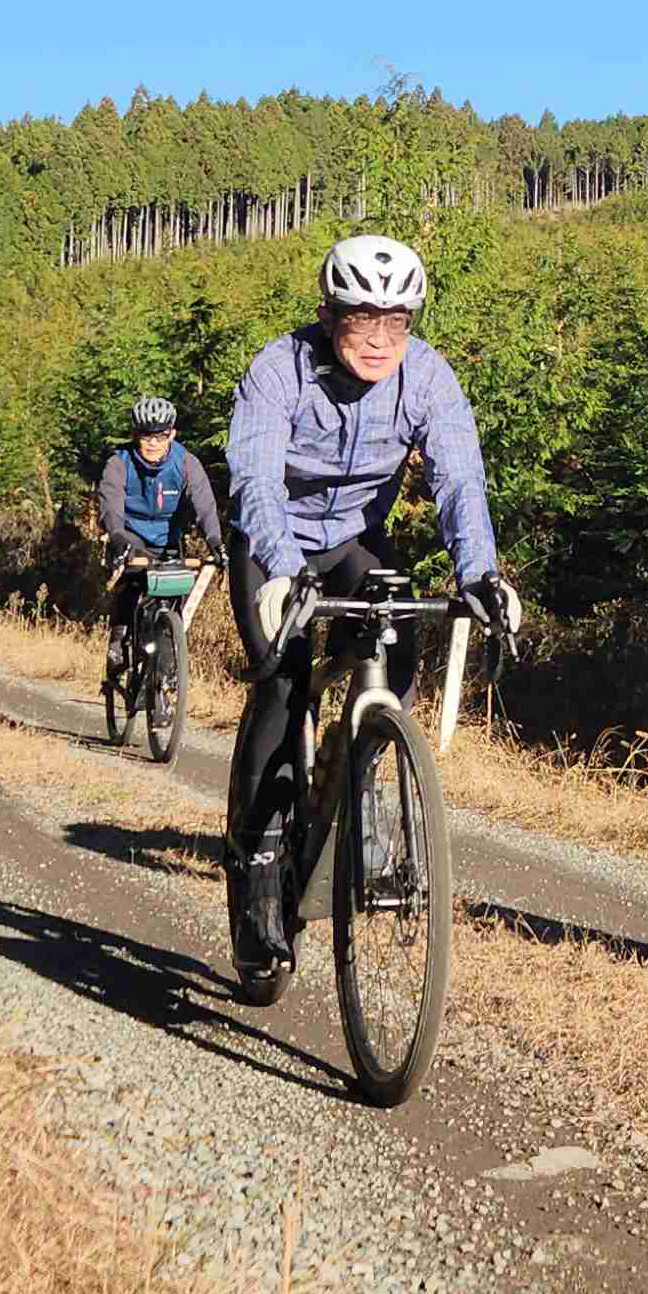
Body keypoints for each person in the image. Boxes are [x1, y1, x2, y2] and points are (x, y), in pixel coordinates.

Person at [220, 233, 523, 976]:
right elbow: (255, 480)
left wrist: (480, 574)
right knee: (283, 682)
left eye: (398, 322)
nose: (381, 340)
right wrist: (284, 572)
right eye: (363, 321)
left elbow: (459, 480)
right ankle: (257, 863)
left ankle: (362, 787)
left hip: (356, 539)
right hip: (272, 542)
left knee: (400, 647)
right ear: (329, 315)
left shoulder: (427, 377)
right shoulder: (278, 371)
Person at [98, 395, 226, 640]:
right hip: (130, 537)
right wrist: (117, 537)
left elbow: (205, 505)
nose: (153, 443)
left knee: (175, 595)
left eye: (161, 436)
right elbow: (111, 506)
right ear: (135, 435)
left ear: (172, 434)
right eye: (146, 436)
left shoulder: (186, 462)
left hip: (169, 540)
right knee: (131, 588)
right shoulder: (118, 463)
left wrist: (215, 541)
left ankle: (170, 650)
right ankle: (119, 642)